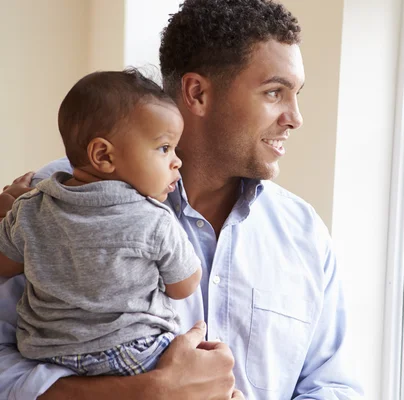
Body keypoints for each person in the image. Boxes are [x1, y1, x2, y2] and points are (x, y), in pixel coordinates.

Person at [0, 0, 363, 399]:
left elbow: (333, 386)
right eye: (274, 92)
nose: (295, 117)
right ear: (197, 93)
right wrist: (143, 393)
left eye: (296, 95)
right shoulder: (51, 200)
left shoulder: (304, 232)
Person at [0, 69, 202, 376]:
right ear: (103, 155)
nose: (177, 161)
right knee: (205, 376)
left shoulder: (30, 208)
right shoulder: (155, 220)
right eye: (164, 148)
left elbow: (4, 265)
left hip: (49, 357)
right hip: (135, 356)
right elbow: (183, 286)